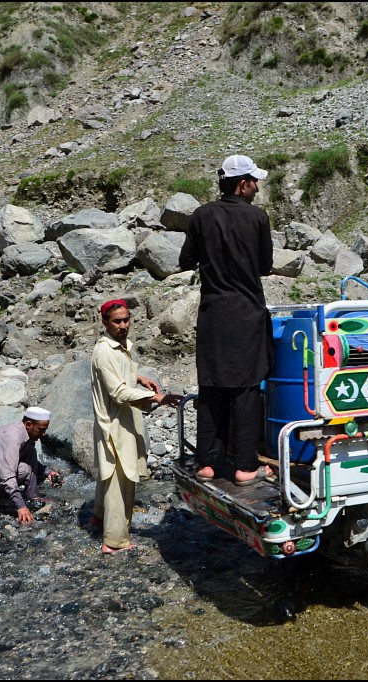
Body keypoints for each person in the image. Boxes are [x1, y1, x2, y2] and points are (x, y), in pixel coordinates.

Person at [178, 154, 275, 487]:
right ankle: (246, 467)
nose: (257, 188)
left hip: (213, 315)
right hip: (247, 313)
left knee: (212, 385)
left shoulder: (202, 216)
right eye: (254, 182)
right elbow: (264, 266)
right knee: (246, 388)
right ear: (242, 183)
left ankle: (207, 463)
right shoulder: (257, 218)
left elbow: (185, 259)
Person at [90, 299, 180, 554]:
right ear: (105, 322)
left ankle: (97, 517)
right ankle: (115, 542)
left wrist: (138, 377)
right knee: (121, 478)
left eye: (126, 320)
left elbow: (121, 376)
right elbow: (118, 391)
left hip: (121, 418)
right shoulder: (105, 351)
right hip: (115, 422)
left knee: (109, 473)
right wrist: (156, 398)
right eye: (117, 321)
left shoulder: (122, 346)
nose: (123, 325)